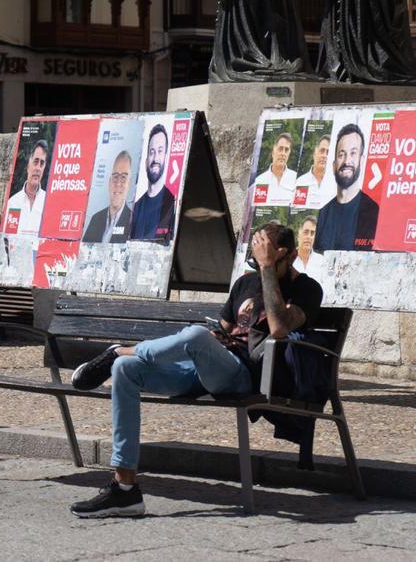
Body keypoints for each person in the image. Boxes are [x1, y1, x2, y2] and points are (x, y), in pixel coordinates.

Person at [68, 222, 322, 518]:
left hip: (244, 376)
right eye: (255, 259)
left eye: (267, 259)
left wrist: (268, 269)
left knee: (193, 336)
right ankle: (125, 490)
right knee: (127, 370)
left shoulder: (307, 289)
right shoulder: (244, 284)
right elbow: (221, 330)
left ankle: (119, 350)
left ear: (289, 256)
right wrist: (215, 338)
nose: (259, 265)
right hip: (207, 368)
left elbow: (278, 328)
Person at [312, 124, 379, 252]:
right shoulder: (322, 214)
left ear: (362, 160)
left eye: (353, 153)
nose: (347, 161)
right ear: (333, 165)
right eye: (341, 155)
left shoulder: (374, 212)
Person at [128, 125, 176, 243]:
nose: (155, 158)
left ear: (165, 157)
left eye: (160, 151)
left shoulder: (172, 203)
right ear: (145, 161)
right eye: (151, 152)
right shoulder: (135, 208)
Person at [82, 151, 134, 244]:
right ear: (109, 182)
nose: (118, 183)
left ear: (129, 183)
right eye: (115, 176)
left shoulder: (133, 222)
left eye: (123, 178)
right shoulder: (95, 219)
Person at [5, 139, 49, 236]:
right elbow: (6, 239)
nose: (38, 168)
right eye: (35, 162)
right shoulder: (13, 203)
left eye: (42, 164)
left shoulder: (49, 203)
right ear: (28, 165)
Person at [252, 132, 297, 205]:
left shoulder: (297, 180)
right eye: (280, 149)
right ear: (273, 152)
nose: (283, 153)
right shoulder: (259, 181)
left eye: (286, 150)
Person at [293, 135, 336, 209]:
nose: (324, 155)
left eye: (328, 152)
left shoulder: (336, 184)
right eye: (322, 151)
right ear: (314, 154)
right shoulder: (301, 182)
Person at [292, 215, 325, 280]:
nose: (309, 237)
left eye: (312, 233)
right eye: (306, 232)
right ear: (298, 235)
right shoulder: (289, 260)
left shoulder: (322, 262)